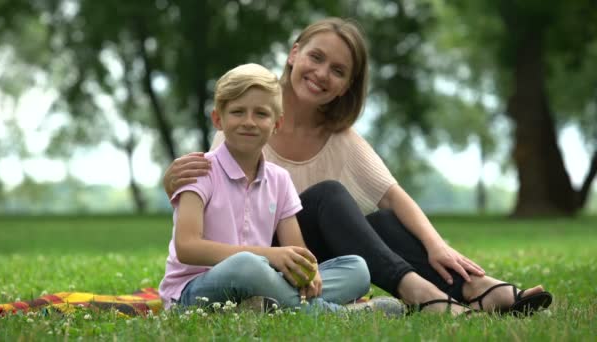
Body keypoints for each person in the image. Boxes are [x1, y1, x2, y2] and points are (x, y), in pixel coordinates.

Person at [162, 18, 552, 315]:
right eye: (316, 57)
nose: (321, 74)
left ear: (346, 85)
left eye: (338, 70)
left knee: (380, 226)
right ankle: (413, 296)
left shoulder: (338, 138)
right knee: (329, 195)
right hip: (247, 260)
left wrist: (438, 246)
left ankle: (473, 288)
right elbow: (207, 197)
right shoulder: (246, 114)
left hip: (295, 262)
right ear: (294, 53)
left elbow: (394, 197)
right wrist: (173, 184)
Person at [159, 63, 402, 315]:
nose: (249, 122)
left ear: (277, 123)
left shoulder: (279, 179)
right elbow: (187, 247)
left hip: (262, 281)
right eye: (238, 112)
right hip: (193, 291)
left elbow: (296, 252)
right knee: (246, 266)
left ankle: (266, 306)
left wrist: (308, 273)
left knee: (358, 269)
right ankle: (333, 314)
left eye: (261, 114)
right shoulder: (198, 170)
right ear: (218, 119)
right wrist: (270, 256)